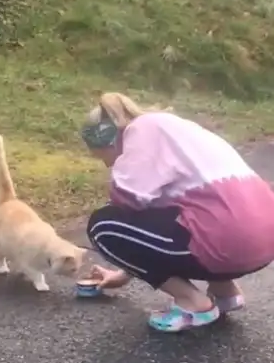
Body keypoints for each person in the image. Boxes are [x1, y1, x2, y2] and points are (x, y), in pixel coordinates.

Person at [81, 92, 274, 332]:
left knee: (103, 225)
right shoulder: (180, 130)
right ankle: (226, 292)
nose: (108, 165)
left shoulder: (142, 130)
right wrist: (124, 274)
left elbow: (126, 199)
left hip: (229, 240)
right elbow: (152, 228)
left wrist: (119, 175)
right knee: (194, 214)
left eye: (104, 158)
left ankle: (194, 304)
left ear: (110, 140)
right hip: (263, 239)